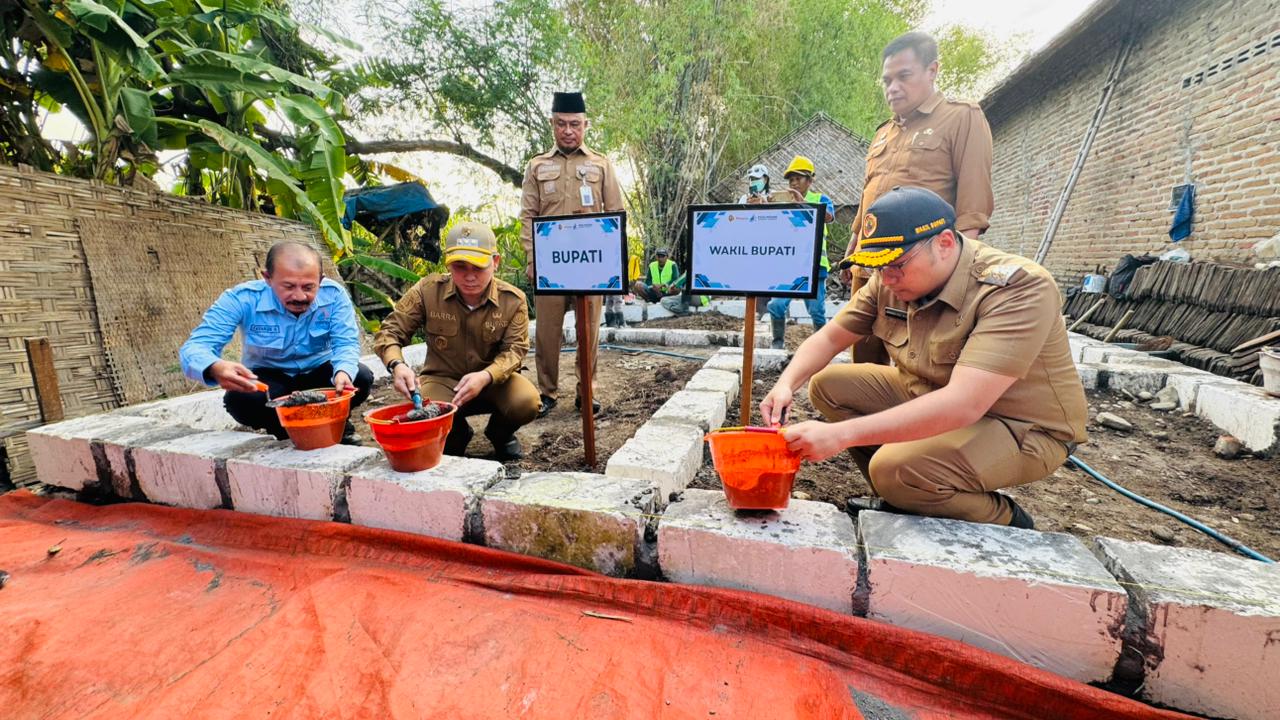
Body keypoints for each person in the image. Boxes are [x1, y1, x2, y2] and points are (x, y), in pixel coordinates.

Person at [760, 187, 1087, 528]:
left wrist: (841, 435)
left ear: (945, 243)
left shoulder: (1017, 287)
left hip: (1017, 425)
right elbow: (829, 337)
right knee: (829, 386)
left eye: (897, 265)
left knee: (894, 469)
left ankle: (1006, 521)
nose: (887, 278)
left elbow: (964, 404)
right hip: (934, 394)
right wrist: (785, 385)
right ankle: (906, 496)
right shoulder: (890, 276)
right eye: (879, 268)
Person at [839, 31, 994, 364]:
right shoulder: (883, 133)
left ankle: (910, 416)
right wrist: (854, 246)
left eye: (903, 76)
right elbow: (870, 192)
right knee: (865, 353)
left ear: (932, 71)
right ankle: (865, 416)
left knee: (919, 361)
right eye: (887, 80)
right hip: (871, 266)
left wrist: (953, 280)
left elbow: (973, 208)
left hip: (919, 267)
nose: (892, 87)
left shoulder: (961, 118)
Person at [373, 222, 539, 460]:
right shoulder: (428, 291)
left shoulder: (513, 300)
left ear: (495, 262)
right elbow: (390, 331)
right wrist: (396, 365)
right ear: (448, 264)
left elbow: (515, 350)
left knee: (526, 402)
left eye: (478, 267)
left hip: (494, 381)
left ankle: (499, 434)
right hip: (443, 381)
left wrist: (485, 376)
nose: (469, 276)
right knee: (430, 415)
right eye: (460, 266)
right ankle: (457, 434)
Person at [179, 241, 372, 442]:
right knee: (242, 399)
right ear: (267, 278)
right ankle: (284, 431)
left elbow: (346, 343)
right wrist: (214, 366)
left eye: (308, 287)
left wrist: (343, 372)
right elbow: (195, 347)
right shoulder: (242, 299)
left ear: (320, 280)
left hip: (320, 373)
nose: (299, 296)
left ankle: (338, 424)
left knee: (360, 377)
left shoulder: (334, 296)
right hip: (271, 379)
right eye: (288, 286)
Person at [520, 91, 624, 417]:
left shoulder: (600, 165)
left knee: (588, 333)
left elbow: (615, 214)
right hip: (551, 266)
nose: (568, 130)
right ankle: (547, 392)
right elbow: (528, 215)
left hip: (591, 266)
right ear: (553, 124)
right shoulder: (537, 166)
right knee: (547, 332)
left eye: (575, 124)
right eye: (562, 123)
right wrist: (532, 259)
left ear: (585, 125)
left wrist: (613, 265)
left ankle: (586, 392)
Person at [766, 155, 836, 349]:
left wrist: (802, 202)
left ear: (810, 180)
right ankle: (777, 344)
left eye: (798, 178)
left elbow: (828, 217)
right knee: (777, 305)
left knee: (816, 310)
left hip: (814, 266)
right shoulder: (783, 203)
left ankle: (821, 348)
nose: (794, 183)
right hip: (788, 265)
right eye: (791, 179)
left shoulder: (821, 199)